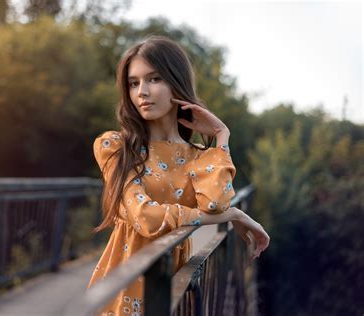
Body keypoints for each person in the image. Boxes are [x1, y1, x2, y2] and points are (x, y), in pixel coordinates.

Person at [87, 35, 270, 316]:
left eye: (154, 79)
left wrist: (222, 136)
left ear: (177, 82)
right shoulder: (116, 147)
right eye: (134, 83)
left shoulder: (199, 156)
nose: (142, 92)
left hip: (175, 288)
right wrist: (235, 216)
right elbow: (145, 217)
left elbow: (214, 204)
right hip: (123, 289)